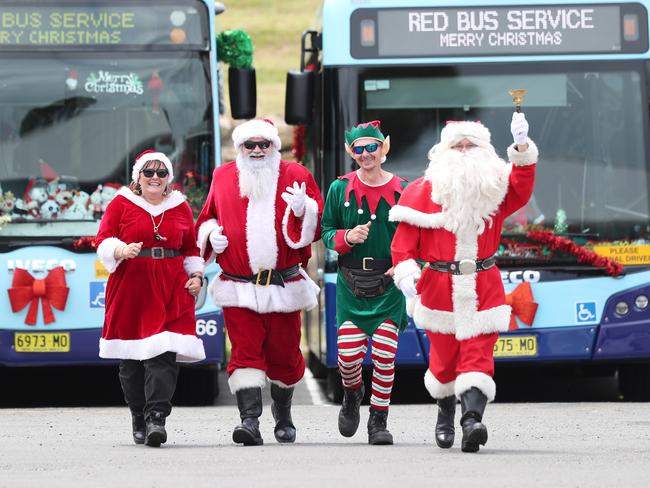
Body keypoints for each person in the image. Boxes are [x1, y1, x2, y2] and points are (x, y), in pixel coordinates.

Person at [389, 113, 537, 452]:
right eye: (459, 145)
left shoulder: (496, 188)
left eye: (472, 145)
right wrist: (407, 272)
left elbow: (522, 186)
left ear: (485, 150)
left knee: (478, 354)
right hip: (439, 284)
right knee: (443, 362)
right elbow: (402, 244)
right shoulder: (421, 192)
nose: (466, 151)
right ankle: (445, 412)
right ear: (444, 151)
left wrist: (522, 147)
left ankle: (472, 421)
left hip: (483, 283)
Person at [195, 119, 323, 446]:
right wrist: (213, 235)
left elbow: (318, 222)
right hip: (238, 286)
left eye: (262, 145)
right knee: (244, 351)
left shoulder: (297, 175)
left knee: (285, 355)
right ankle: (249, 422)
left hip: (283, 286)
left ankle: (283, 414)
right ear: (239, 148)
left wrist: (303, 209)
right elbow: (208, 215)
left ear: (274, 147)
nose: (256, 150)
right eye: (249, 145)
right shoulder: (223, 176)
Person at [95, 150, 206, 447]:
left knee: (164, 355)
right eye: (148, 172)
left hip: (172, 286)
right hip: (132, 287)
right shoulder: (121, 204)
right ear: (138, 178)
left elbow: (191, 248)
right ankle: (137, 414)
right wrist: (121, 250)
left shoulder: (180, 207)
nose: (155, 178)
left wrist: (196, 277)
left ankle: (156, 416)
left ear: (168, 178)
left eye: (161, 173)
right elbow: (102, 239)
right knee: (131, 363)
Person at [321, 120, 408, 445]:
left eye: (371, 147)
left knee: (385, 354)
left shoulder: (403, 189)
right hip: (351, 283)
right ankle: (352, 394)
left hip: (389, 284)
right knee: (347, 355)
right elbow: (326, 231)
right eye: (358, 149)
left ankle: (378, 420)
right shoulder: (339, 188)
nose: (365, 154)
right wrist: (346, 236)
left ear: (383, 148)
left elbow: (417, 236)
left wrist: (404, 265)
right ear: (351, 152)